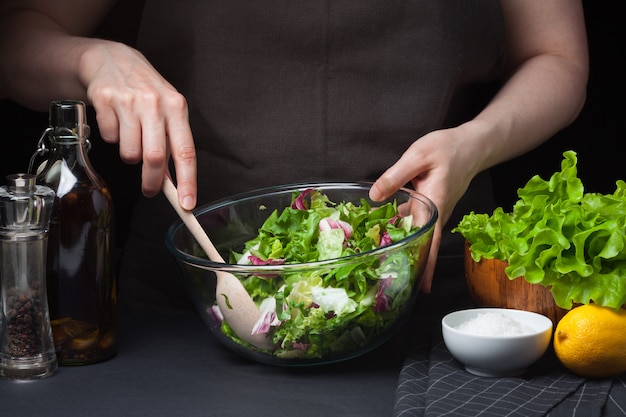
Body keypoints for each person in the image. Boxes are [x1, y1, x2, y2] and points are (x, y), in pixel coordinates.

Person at [0, 1, 588, 312]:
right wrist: (91, 60)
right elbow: (18, 34)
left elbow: (557, 56)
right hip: (190, 308)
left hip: (432, 311)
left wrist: (476, 141)